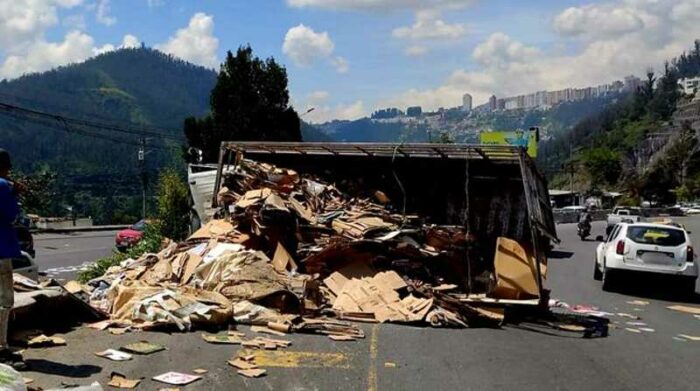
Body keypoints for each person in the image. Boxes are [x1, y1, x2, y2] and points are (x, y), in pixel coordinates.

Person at [0, 149, 25, 369]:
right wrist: (14, 193)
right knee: (4, 302)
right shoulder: (2, 185)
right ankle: (1, 348)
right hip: (0, 251)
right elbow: (13, 215)